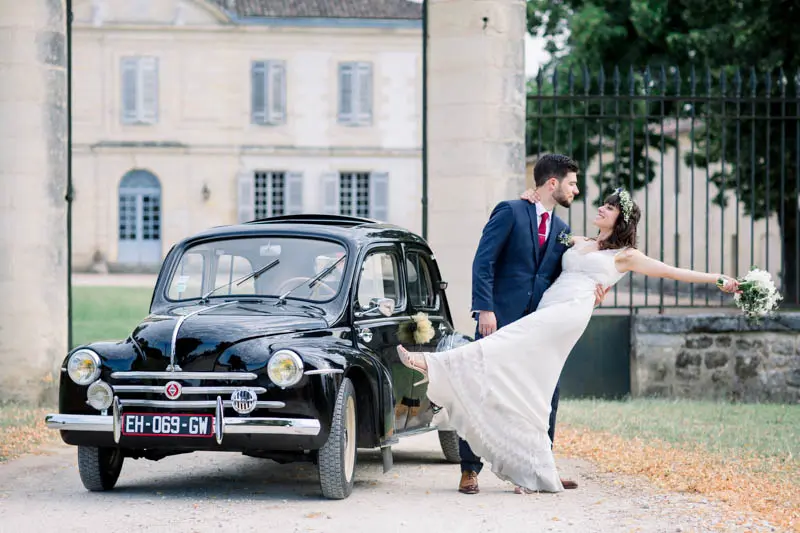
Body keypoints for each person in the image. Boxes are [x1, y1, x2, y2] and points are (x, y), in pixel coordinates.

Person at [398, 188, 740, 493]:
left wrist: (718, 279)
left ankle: (432, 363)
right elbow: (539, 239)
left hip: (568, 314)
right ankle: (533, 471)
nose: (602, 209)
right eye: (603, 204)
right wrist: (530, 198)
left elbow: (672, 271)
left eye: (610, 207)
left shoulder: (626, 255)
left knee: (504, 344)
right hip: (549, 306)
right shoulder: (575, 240)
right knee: (536, 389)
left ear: (621, 219)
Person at [457, 153, 606, 495]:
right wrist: (485, 309)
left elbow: (561, 275)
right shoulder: (510, 211)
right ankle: (469, 469)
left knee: (545, 393)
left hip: (539, 327)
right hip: (500, 319)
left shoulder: (562, 230)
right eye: (572, 183)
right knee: (483, 390)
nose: (577, 190)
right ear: (552, 183)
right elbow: (484, 261)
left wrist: (590, 290)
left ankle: (539, 468)